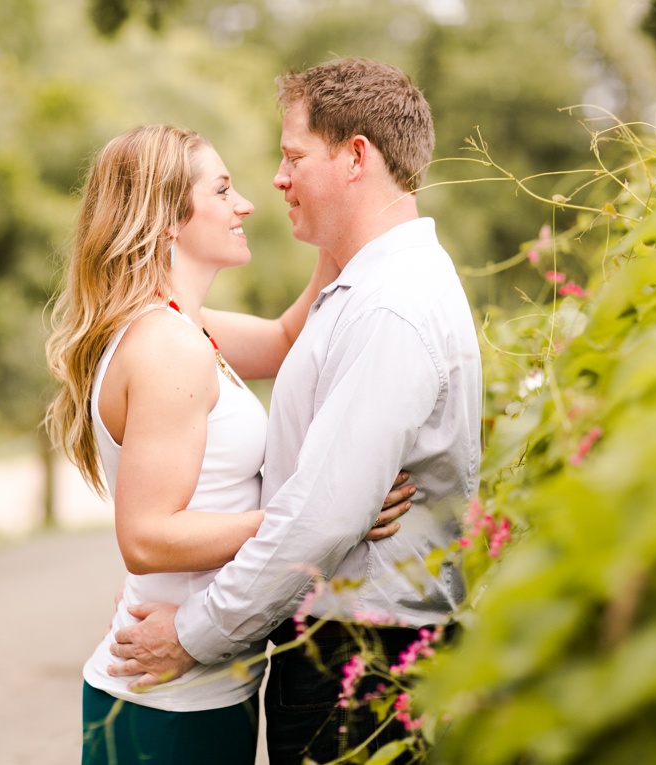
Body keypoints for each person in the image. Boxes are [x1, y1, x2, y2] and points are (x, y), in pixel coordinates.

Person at [108, 58, 483, 763]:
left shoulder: (389, 307)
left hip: (363, 665)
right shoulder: (366, 289)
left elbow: (324, 517)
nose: (273, 182)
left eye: (291, 157)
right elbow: (285, 347)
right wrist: (335, 242)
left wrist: (191, 633)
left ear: (356, 157)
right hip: (341, 657)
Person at [45, 124, 414, 765]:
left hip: (203, 688)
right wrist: (318, 518)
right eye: (222, 190)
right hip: (167, 707)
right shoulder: (167, 348)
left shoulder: (184, 325)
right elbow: (146, 538)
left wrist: (343, 227)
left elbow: (280, 338)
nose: (244, 203)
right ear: (166, 219)